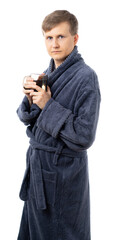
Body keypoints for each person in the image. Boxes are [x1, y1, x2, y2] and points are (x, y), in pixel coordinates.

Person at [17, 10, 101, 240]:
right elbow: (28, 118)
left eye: (61, 37)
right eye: (49, 37)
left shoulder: (86, 77)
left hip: (64, 177)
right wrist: (29, 97)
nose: (54, 44)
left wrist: (48, 104)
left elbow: (84, 136)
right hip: (39, 173)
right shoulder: (46, 74)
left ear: (75, 39)